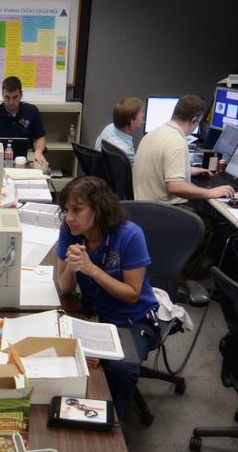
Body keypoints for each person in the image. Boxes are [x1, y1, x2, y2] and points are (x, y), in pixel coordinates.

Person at [54, 176, 161, 425]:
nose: (69, 217)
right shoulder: (70, 232)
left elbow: (132, 294)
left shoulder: (130, 235)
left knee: (121, 369)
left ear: (98, 210)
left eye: (77, 210)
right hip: (93, 313)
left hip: (131, 319)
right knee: (62, 356)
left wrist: (91, 270)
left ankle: (115, 428)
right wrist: (71, 265)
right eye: (66, 210)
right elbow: (66, 287)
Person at [132, 94, 234, 211]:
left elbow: (158, 167)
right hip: (161, 211)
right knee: (213, 215)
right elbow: (175, 187)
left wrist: (188, 170)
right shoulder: (177, 142)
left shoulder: (153, 134)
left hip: (143, 206)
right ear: (194, 120)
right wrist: (211, 192)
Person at [0, 76, 48, 168]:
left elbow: (40, 137)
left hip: (27, 155)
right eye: (7, 97)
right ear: (2, 94)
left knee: (41, 168)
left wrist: (38, 152)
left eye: (15, 97)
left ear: (21, 95)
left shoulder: (31, 111)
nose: (11, 102)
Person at [94, 97, 143, 163]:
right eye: (141, 114)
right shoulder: (125, 151)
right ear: (132, 122)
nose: (143, 115)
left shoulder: (109, 127)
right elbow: (137, 171)